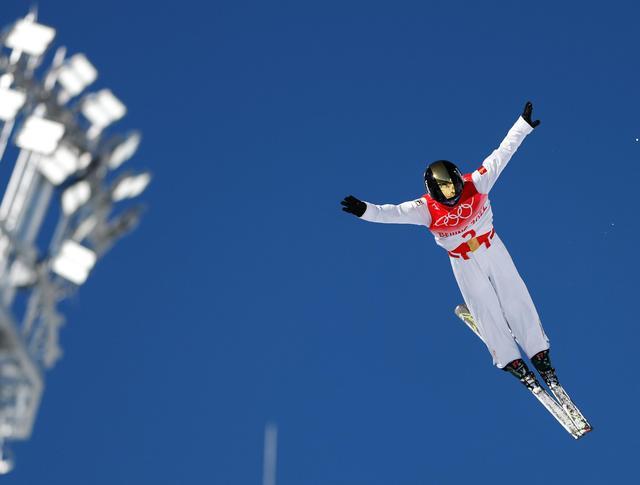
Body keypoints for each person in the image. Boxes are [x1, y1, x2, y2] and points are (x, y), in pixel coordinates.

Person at [340, 102, 558, 388]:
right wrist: (365, 210)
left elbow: (502, 154)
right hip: (463, 261)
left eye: (453, 186)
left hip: (492, 248)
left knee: (514, 295)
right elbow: (391, 212)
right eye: (443, 190)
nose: (451, 193)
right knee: (484, 306)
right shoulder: (425, 209)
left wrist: (522, 126)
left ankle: (538, 352)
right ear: (433, 191)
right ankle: (508, 358)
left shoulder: (476, 183)